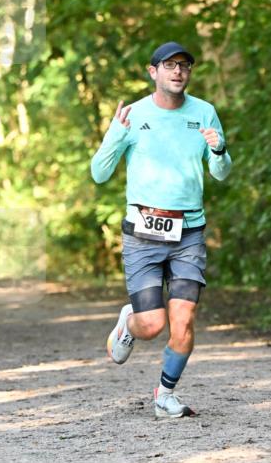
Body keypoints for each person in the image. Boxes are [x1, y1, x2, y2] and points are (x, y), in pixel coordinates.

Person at [91, 41, 232, 419]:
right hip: (143, 233)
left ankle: (165, 395)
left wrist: (219, 151)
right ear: (152, 72)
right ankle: (129, 323)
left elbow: (221, 173)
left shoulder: (205, 113)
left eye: (184, 66)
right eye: (169, 65)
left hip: (189, 233)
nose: (178, 72)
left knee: (183, 321)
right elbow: (99, 174)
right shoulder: (132, 115)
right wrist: (116, 136)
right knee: (153, 325)